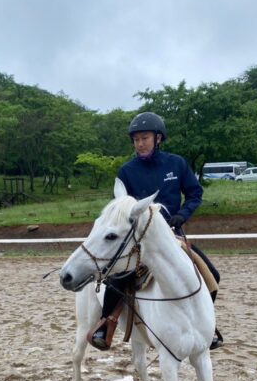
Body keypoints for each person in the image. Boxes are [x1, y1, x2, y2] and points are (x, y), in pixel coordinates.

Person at [89, 111, 224, 351]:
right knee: (117, 278)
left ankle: (207, 326)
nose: (140, 144)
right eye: (136, 140)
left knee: (211, 274)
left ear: (158, 138)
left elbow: (195, 193)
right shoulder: (126, 172)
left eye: (145, 138)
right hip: (137, 240)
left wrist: (182, 214)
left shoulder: (177, 164)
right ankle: (106, 323)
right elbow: (119, 209)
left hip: (172, 236)